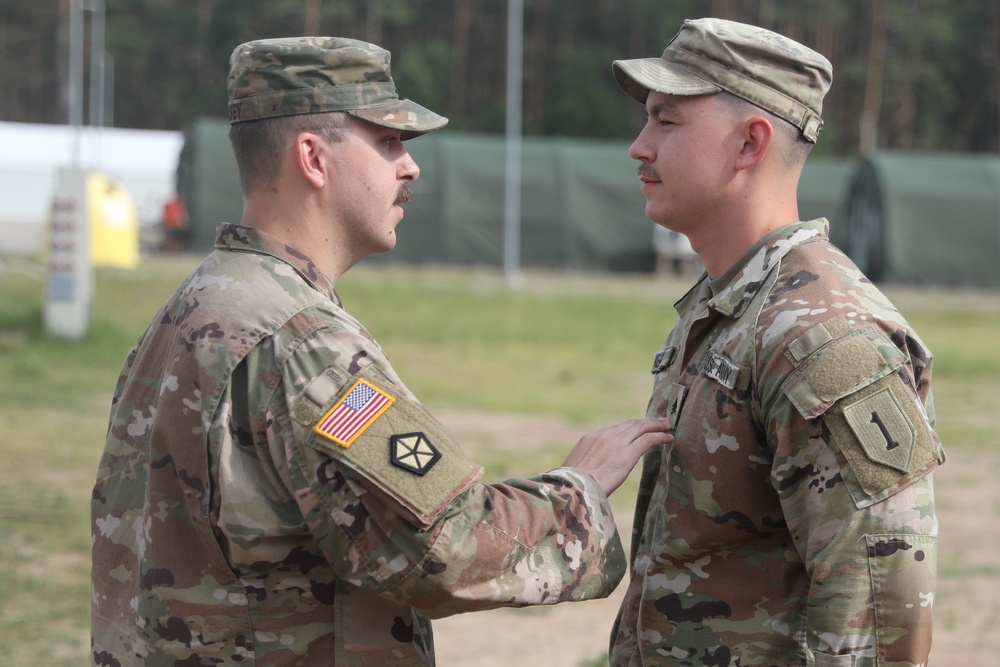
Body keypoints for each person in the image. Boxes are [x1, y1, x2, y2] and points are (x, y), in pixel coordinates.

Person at [90, 36, 673, 666]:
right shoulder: (301, 342)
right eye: (389, 142)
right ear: (313, 158)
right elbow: (440, 552)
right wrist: (576, 491)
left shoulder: (199, 301)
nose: (410, 167)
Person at [607, 18, 945, 667]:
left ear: (748, 143)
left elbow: (879, 607)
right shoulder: (732, 305)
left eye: (666, 121)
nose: (638, 146)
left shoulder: (822, 334)